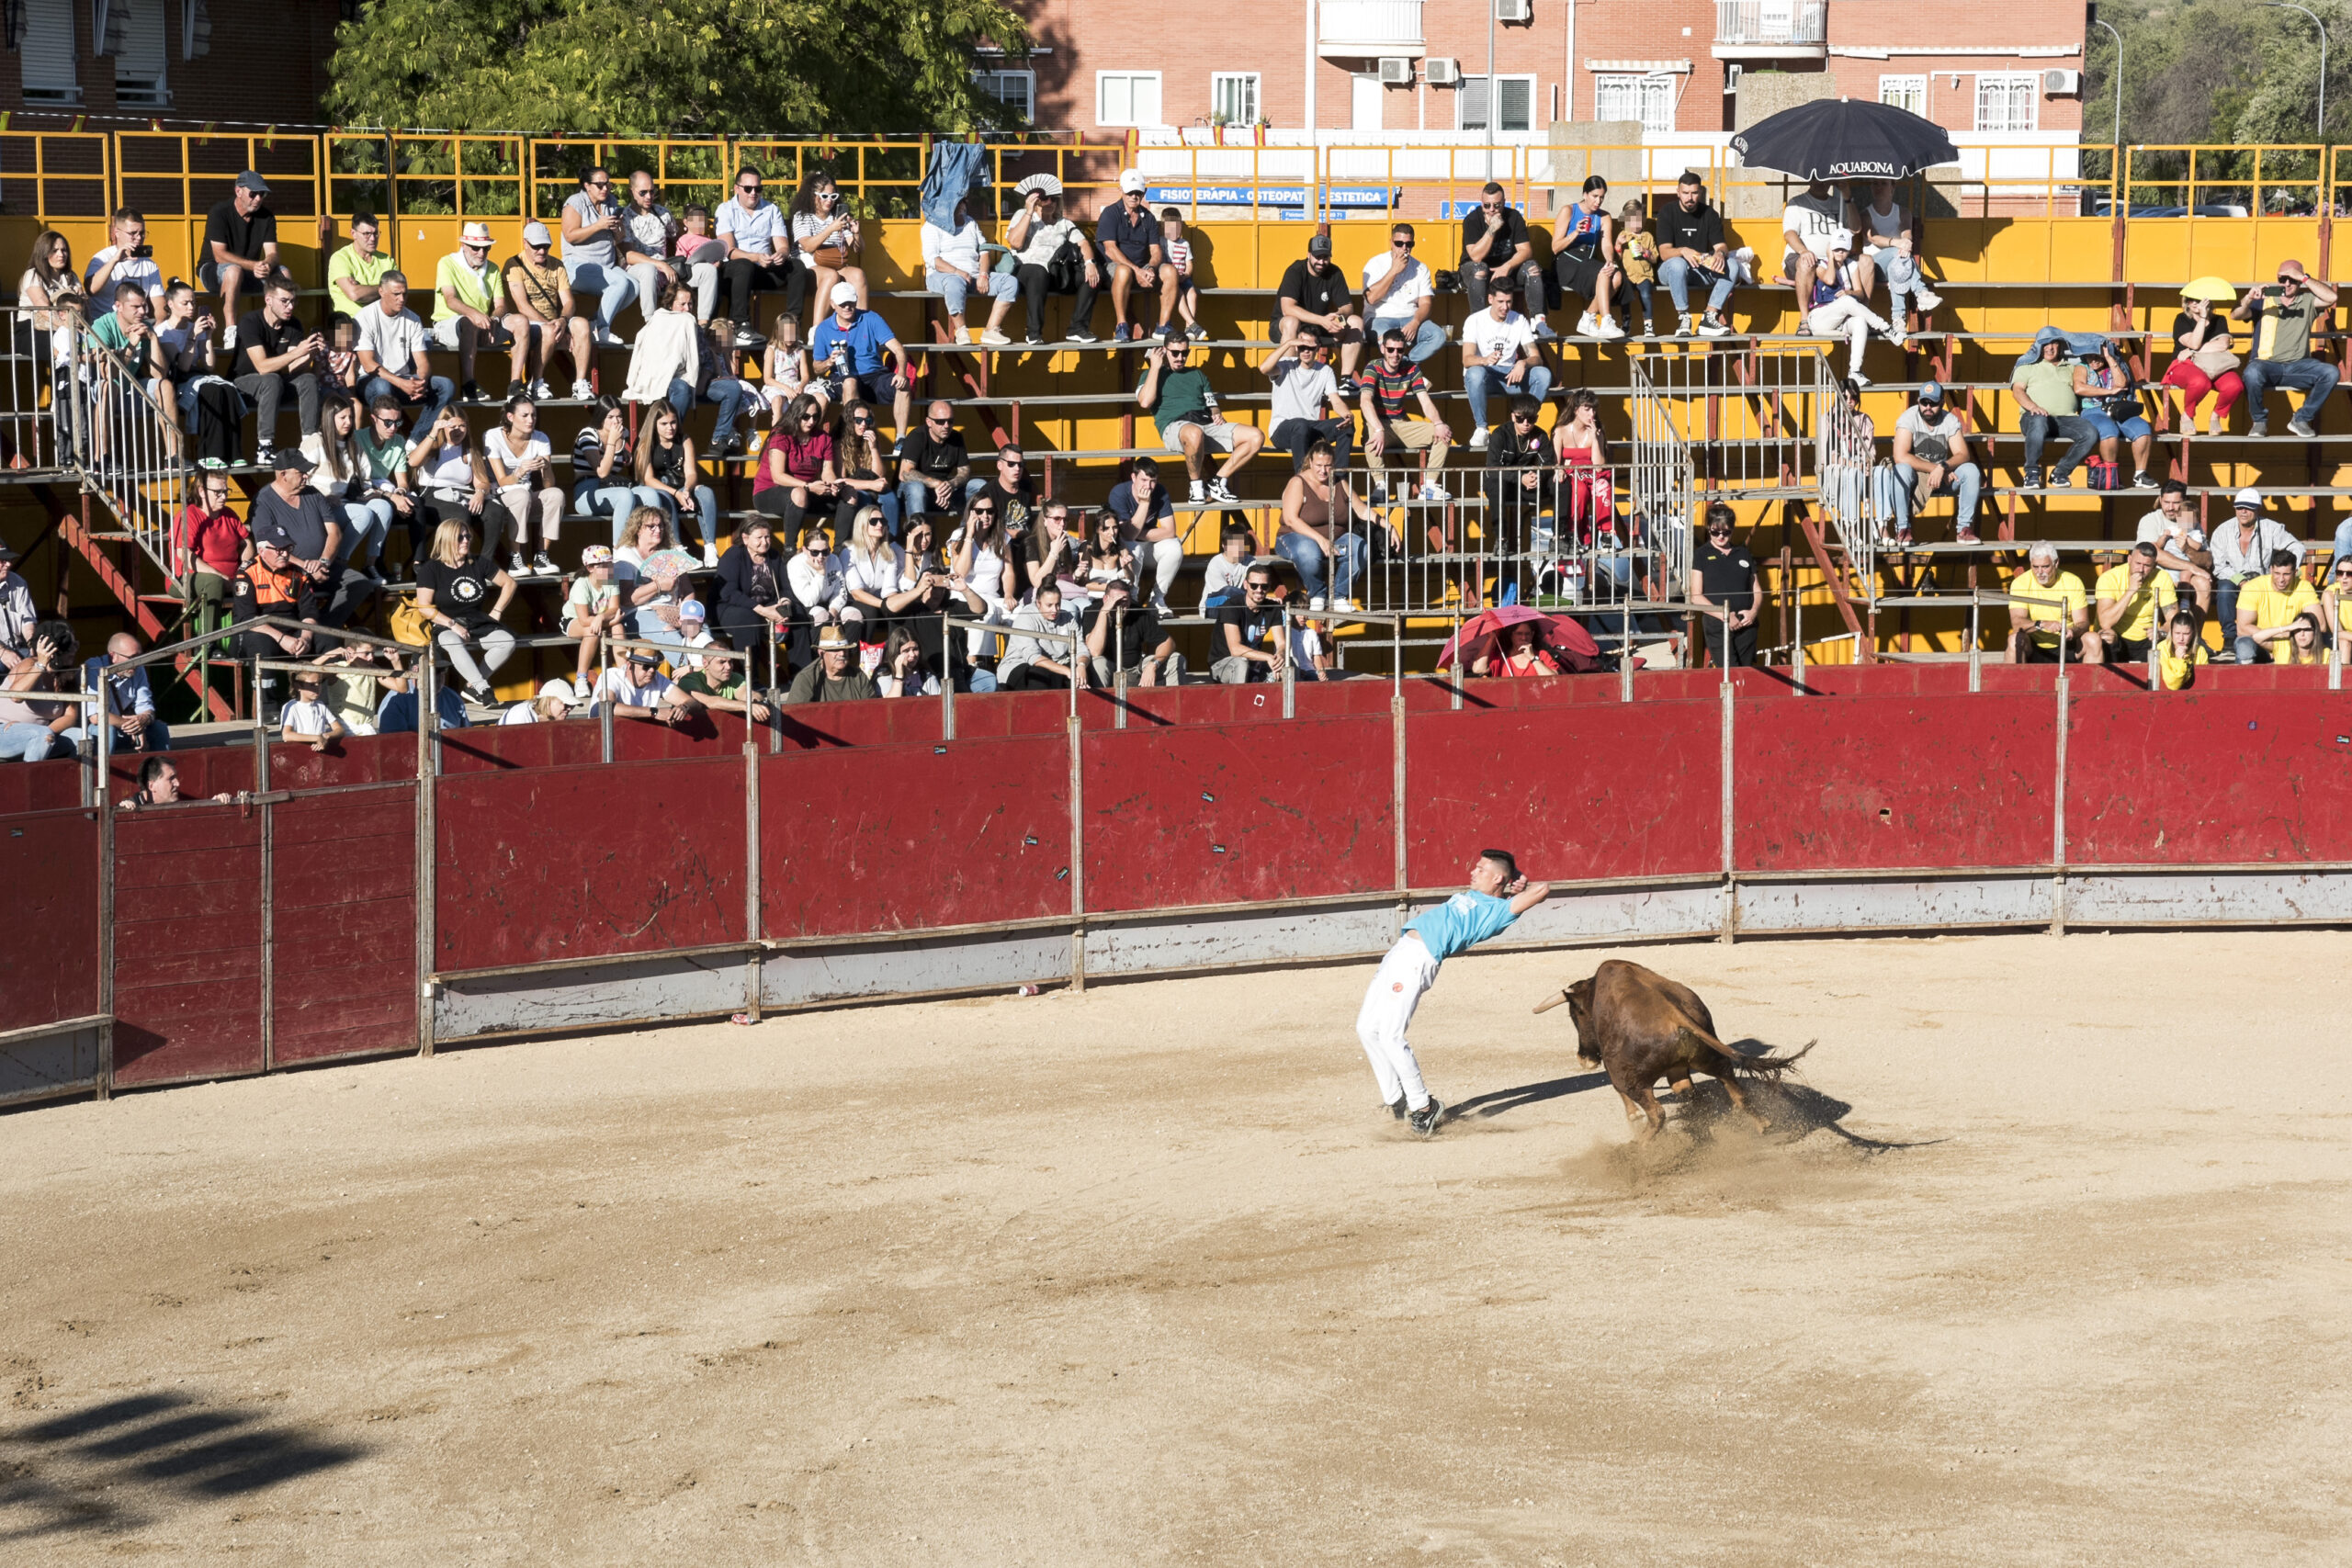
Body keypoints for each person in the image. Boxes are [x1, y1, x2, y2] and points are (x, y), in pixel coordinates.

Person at [1355, 849, 1552, 1135]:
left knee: (1391, 1035)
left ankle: (1424, 1107)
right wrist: (1509, 878)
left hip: (1420, 959)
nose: (1473, 872)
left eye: (1481, 869)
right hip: (1401, 952)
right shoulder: (1477, 895)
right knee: (1366, 1028)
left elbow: (1543, 889)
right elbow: (1501, 880)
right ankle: (1396, 1101)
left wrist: (1518, 876)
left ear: (1498, 877)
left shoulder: (1499, 912)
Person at [250, 449, 374, 627]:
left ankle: (323, 630)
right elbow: (266, 546)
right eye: (301, 472)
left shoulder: (312, 493)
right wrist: (305, 566)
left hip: (322, 566)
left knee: (359, 583)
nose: (306, 476)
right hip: (285, 569)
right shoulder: (263, 501)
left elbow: (334, 532)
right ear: (283, 474)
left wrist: (323, 562)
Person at [1138, 331, 1261, 502]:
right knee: (1194, 433)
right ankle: (1196, 487)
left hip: (1204, 423)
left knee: (1256, 436)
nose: (1180, 357)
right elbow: (1145, 402)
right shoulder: (1150, 375)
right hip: (1175, 426)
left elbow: (1212, 405)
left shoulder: (1197, 374)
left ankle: (1217, 482)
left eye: (1184, 353)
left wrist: (1217, 413)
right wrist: (1154, 367)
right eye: (1175, 353)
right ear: (1165, 351)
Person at [2232, 260, 2339, 438]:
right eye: (2282, 279)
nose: (2287, 284)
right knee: (2252, 373)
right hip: (2266, 365)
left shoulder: (2308, 300)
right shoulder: (2264, 300)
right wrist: (2249, 298)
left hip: (2298, 366)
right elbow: (2236, 315)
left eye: (2292, 279)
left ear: (2299, 280)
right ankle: (2259, 422)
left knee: (2331, 373)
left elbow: (2332, 298)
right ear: (2277, 279)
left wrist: (2304, 278)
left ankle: (2301, 419)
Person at [413, 517, 517, 701]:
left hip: (477, 623)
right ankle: (484, 690)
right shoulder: (431, 569)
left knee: (507, 641)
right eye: (460, 537)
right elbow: (424, 608)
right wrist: (452, 624)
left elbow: (509, 583)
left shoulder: (477, 562)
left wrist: (497, 610)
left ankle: (472, 687)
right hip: (445, 626)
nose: (466, 540)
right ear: (446, 540)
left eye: (467, 536)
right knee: (452, 642)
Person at [232, 276, 325, 465]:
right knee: (271, 379)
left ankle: (309, 443)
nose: (290, 306)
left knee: (307, 379)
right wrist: (299, 351)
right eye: (284, 301)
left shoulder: (293, 325)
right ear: (268, 300)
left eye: (293, 301)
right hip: (243, 385)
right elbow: (262, 366)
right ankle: (264, 447)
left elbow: (294, 367)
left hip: (276, 386)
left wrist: (311, 353)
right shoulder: (250, 321)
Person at [1277, 440, 1378, 612]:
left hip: (1334, 541)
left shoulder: (1340, 483)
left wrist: (1387, 525)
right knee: (1309, 551)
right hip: (1295, 538)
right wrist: (1321, 540)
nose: (1323, 470)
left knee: (1360, 547)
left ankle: (1338, 597)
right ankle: (1317, 593)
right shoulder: (1298, 482)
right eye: (1318, 465)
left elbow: (1361, 510)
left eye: (1328, 465)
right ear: (1310, 462)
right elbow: (1290, 519)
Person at [433, 221, 526, 405]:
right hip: (448, 325)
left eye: (486, 248)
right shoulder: (446, 262)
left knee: (521, 321)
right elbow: (450, 299)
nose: (481, 253)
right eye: (476, 248)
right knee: (469, 322)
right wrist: (475, 315)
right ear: (464, 246)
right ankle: (468, 384)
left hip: (481, 325)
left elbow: (501, 305)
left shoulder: (493, 268)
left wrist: (494, 320)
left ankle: (516, 384)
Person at [506, 221, 597, 400]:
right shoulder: (514, 264)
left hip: (555, 322)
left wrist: (563, 321)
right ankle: (536, 381)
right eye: (537, 246)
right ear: (525, 243)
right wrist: (553, 326)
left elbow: (569, 301)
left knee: (582, 324)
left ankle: (580, 382)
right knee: (548, 330)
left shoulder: (557, 265)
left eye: (546, 246)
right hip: (527, 325)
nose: (542, 251)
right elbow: (521, 305)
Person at [354, 271, 453, 434]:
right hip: (371, 381)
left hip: (404, 380)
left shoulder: (413, 318)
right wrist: (403, 384)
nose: (402, 299)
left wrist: (420, 382)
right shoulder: (364, 317)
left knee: (445, 386)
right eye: (396, 294)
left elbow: (423, 363)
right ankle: (385, 444)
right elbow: (369, 365)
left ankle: (416, 441)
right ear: (381, 292)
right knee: (382, 386)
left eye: (405, 294)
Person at [1360, 325, 1453, 502]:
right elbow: (1365, 401)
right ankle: (1380, 486)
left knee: (1444, 432)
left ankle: (1430, 486)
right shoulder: (1373, 367)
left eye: (1400, 350)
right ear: (1383, 349)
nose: (1395, 354)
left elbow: (1424, 401)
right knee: (1372, 433)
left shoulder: (1411, 368)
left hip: (1401, 424)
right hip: (1380, 424)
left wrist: (1439, 423)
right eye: (1391, 349)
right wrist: (1379, 429)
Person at [808, 281, 911, 439]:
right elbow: (816, 368)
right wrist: (830, 361)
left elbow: (898, 348)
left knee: (903, 385)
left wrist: (902, 373)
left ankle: (900, 439)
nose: (848, 307)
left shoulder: (871, 318)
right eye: (843, 304)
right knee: (850, 382)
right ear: (833, 304)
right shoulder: (823, 328)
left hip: (875, 376)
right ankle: (852, 437)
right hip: (842, 377)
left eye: (851, 302)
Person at [1462, 276, 1552, 450]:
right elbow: (1467, 359)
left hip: (1511, 374)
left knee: (1543, 374)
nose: (1505, 307)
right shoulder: (1475, 320)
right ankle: (1481, 428)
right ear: (1490, 299)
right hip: (1485, 376)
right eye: (1501, 302)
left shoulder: (1519, 320)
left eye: (1509, 302)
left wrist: (1522, 363)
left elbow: (1536, 357)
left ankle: (1524, 423)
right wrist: (1484, 360)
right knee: (1474, 373)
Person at [1887, 381, 1982, 546]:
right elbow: (1900, 456)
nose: (1928, 407)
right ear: (1918, 402)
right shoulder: (1909, 417)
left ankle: (1964, 530)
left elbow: (1963, 454)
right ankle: (1903, 529)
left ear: (1942, 403)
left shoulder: (1949, 420)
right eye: (1924, 402)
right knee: (1900, 470)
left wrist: (1943, 467)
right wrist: (1936, 468)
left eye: (1933, 403)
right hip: (1916, 475)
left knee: (1971, 470)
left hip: (1942, 477)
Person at [2208, 488, 2305, 648]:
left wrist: (2284, 569)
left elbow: (2297, 547)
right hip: (2234, 579)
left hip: (2264, 578)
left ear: (2258, 508)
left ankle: (2268, 636)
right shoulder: (2222, 531)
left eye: (2248, 507)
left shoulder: (2272, 528)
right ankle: (2230, 638)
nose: (2243, 511)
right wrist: (2241, 581)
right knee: (2224, 588)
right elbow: (2219, 566)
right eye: (2239, 507)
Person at [1802, 231, 1900, 385]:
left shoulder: (1851, 265)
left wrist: (1848, 292)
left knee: (1860, 320)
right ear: (1830, 249)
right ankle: (1885, 327)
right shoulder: (1821, 265)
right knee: (1847, 302)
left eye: (1843, 249)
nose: (1840, 252)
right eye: (1836, 249)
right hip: (1819, 317)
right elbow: (1829, 279)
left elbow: (1860, 293)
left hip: (1841, 320)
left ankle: (1855, 371)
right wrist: (1830, 257)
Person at [1006, 186, 1101, 344]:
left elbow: (1083, 243)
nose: (1049, 202)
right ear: (1036, 201)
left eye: (1054, 199)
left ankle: (1077, 328)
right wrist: (1029, 212)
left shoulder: (1064, 223)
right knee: (1038, 271)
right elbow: (1015, 243)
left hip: (1056, 272)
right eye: (1044, 198)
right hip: (1027, 270)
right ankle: (1033, 333)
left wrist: (1090, 263)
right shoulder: (1023, 216)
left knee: (1094, 276)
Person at [1653, 172, 1743, 339]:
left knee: (1733, 265)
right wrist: (1682, 251)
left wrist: (1719, 254)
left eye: (1694, 193)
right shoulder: (1667, 212)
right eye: (1685, 193)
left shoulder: (1709, 214)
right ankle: (1683, 318)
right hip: (1672, 272)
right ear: (1678, 192)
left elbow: (1721, 245)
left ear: (1700, 192)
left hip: (1700, 270)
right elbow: (1664, 253)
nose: (1690, 198)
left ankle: (1709, 317)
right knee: (1677, 264)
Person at [717, 167, 799, 346]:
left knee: (797, 267)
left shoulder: (771, 209)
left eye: (758, 189)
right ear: (736, 189)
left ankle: (792, 325)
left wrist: (781, 255)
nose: (753, 193)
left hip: (764, 267)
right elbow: (729, 251)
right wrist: (755, 257)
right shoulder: (725, 210)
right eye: (748, 189)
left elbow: (783, 245)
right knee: (743, 264)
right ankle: (740, 325)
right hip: (735, 271)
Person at [485, 393, 565, 577]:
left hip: (525, 496)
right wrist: (519, 472)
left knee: (556, 494)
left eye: (534, 415)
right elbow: (502, 480)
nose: (531, 420)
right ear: (510, 417)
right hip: (500, 495)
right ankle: (515, 557)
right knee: (520, 494)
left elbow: (549, 484)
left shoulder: (541, 438)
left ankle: (542, 556)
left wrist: (546, 467)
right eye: (525, 415)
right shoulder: (493, 436)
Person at [922, 194, 1016, 345]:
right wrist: (958, 272)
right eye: (958, 203)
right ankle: (961, 330)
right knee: (955, 282)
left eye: (963, 202)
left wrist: (983, 275)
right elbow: (933, 260)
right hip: (942, 276)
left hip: (973, 276)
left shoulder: (970, 222)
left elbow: (984, 251)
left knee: (1010, 282)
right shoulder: (931, 226)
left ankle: (991, 330)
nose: (962, 206)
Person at [558, 166, 636, 345]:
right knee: (619, 283)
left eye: (608, 184)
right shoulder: (575, 202)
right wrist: (598, 226)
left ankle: (595, 322)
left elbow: (620, 238)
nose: (605, 189)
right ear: (587, 185)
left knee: (634, 287)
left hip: (606, 265)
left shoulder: (611, 202)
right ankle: (603, 329)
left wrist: (618, 229)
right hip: (578, 265)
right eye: (600, 185)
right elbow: (570, 235)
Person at [632, 400, 719, 562]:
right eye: (664, 423)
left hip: (681, 488)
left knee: (706, 492)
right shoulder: (645, 443)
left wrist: (686, 490)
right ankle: (677, 548)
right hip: (659, 492)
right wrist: (675, 493)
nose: (670, 427)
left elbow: (691, 472)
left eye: (673, 422)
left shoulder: (684, 440)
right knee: (664, 496)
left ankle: (710, 548)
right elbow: (648, 479)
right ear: (654, 423)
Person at [1849, 179, 1940, 324]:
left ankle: (1898, 319)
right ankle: (1921, 292)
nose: (1879, 187)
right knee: (1897, 255)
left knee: (1897, 265)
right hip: (1874, 267)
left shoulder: (1903, 212)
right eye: (1875, 184)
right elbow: (1873, 238)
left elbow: (1906, 232)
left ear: (1893, 187)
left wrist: (1906, 242)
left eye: (1883, 183)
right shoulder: (1865, 214)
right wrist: (1898, 244)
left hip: (1897, 263)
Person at [1261, 327, 1353, 474]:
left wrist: (1347, 415)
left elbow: (1335, 400)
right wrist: (1288, 343)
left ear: (1317, 348)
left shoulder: (1325, 370)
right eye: (1302, 346)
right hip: (1282, 430)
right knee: (1300, 424)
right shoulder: (1285, 365)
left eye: (1310, 347)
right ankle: (1303, 478)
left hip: (1311, 429)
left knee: (1346, 427)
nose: (1306, 351)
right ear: (1296, 347)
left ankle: (1339, 481)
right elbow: (1264, 368)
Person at [1098, 170, 1174, 343]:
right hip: (1115, 267)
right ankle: (1122, 325)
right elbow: (1110, 250)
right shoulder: (1110, 213)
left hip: (1141, 267)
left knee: (1170, 271)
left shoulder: (1149, 217)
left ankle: (1163, 326)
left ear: (1144, 193)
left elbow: (1156, 251)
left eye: (1138, 192)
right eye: (1130, 192)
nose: (1134, 196)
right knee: (1124, 271)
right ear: (1121, 191)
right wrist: (1137, 271)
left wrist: (1150, 268)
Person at [1276, 233, 1363, 383]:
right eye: (1317, 257)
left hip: (1323, 328)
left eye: (1325, 257)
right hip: (1293, 328)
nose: (1321, 262)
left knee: (1355, 321)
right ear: (1308, 254)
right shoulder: (1295, 271)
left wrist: (1338, 315)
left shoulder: (1335, 272)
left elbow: (1348, 306)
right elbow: (1287, 308)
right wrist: (1322, 320)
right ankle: (1287, 379)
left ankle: (1346, 380)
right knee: (1291, 321)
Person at [200, 171, 281, 333]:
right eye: (253, 193)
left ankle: (277, 329)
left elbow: (273, 254)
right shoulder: (219, 212)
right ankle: (231, 331)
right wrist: (254, 266)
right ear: (238, 191)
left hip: (249, 272)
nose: (258, 198)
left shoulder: (267, 217)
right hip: (212, 270)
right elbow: (219, 255)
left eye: (262, 194)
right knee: (234, 270)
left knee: (283, 273)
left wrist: (266, 264)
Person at [2012, 336, 2097, 490]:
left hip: (2066, 419)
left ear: (2061, 346)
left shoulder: (2071, 368)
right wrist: (2033, 407)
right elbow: (2017, 391)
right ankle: (2031, 473)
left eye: (2054, 343)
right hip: (2034, 418)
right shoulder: (2027, 366)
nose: (2050, 348)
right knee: (2039, 420)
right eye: (2045, 344)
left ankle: (2060, 472)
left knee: (2090, 432)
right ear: (2038, 346)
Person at [66, 631, 168, 754]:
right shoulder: (93, 668)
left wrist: (144, 719)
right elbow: (95, 717)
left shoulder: (137, 669)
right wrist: (135, 728)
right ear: (113, 656)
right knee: (107, 730)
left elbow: (145, 706)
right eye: (132, 658)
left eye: (139, 657)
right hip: (93, 730)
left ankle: (162, 769)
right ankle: (103, 771)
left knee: (159, 729)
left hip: (124, 728)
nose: (137, 663)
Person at [1103, 457, 1184, 612]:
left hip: (1147, 546)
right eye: (1144, 480)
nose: (1148, 486)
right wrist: (1144, 503)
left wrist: (1137, 533)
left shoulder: (1160, 491)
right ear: (1133, 477)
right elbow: (1126, 536)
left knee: (1174, 547)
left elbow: (1170, 531)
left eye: (1152, 481)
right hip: (1125, 550)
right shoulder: (1119, 493)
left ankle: (1158, 599)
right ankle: (1132, 596)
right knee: (1134, 547)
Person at [2074, 341, 2156, 489]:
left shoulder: (2116, 364)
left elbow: (2122, 384)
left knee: (2142, 428)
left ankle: (2140, 475)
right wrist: (2109, 392)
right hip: (2093, 409)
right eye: (2089, 356)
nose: (2093, 360)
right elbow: (2079, 388)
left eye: (2097, 356)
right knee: (2108, 430)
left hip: (2118, 409)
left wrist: (2110, 359)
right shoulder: (2082, 367)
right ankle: (2110, 474)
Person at [1552, 175, 1624, 340]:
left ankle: (1589, 316)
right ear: (1585, 194)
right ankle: (1606, 320)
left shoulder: (1604, 217)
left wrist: (1609, 261)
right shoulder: (1569, 211)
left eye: (1602, 197)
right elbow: (1555, 248)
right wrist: (1576, 232)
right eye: (1594, 196)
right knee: (1602, 272)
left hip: (1587, 262)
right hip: (1566, 261)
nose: (1598, 201)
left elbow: (1606, 244)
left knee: (1616, 276)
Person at [1781, 177, 1863, 321]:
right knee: (1806, 263)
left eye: (1825, 179)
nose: (1821, 183)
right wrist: (1803, 251)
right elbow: (1789, 234)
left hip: (1835, 259)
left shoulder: (1840, 204)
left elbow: (1856, 229)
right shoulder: (1797, 203)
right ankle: (1804, 319)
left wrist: (1847, 197)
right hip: (1804, 257)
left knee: (1866, 261)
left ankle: (1862, 315)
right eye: (1816, 178)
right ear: (1809, 180)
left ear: (1831, 181)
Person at [1361, 222, 1442, 364]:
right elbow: (1371, 299)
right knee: (1387, 341)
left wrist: (1415, 322)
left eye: (1409, 244)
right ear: (1391, 243)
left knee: (1438, 335)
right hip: (1380, 318)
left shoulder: (1421, 268)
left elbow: (1426, 303)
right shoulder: (1375, 263)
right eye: (1399, 243)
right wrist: (1394, 271)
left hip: (1410, 317)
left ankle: (1406, 365)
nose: (1404, 248)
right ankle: (1402, 371)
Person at [755, 393, 840, 531]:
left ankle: (840, 548)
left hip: (809, 490)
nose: (811, 421)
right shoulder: (781, 435)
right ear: (796, 414)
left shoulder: (823, 438)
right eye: (806, 417)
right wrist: (808, 486)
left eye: (815, 417)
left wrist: (832, 484)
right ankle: (790, 549)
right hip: (770, 491)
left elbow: (827, 471)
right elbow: (778, 476)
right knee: (799, 494)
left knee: (850, 496)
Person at [1689, 503, 1759, 668]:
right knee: (1730, 671)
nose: (1721, 537)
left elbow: (1756, 588)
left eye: (1726, 532)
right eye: (1715, 532)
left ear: (1732, 530)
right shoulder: (1701, 555)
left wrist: (1754, 611)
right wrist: (1725, 616)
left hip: (1746, 624)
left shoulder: (1743, 553)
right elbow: (1696, 596)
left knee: (1746, 672)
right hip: (1718, 624)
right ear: (1708, 529)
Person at [173, 471, 251, 620]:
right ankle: (208, 641)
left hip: (231, 579)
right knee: (214, 582)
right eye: (218, 492)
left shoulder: (229, 514)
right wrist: (221, 577)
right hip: (186, 578)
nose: (224, 496)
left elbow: (246, 543)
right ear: (202, 491)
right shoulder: (189, 515)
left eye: (226, 491)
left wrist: (243, 569)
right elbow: (183, 554)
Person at [2164, 291, 2242, 439]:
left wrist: (2191, 351)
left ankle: (2216, 416)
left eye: (2199, 299)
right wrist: (2203, 318)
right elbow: (2194, 342)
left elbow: (2223, 345)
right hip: (2186, 364)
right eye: (2190, 300)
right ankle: (2187, 416)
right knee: (2200, 382)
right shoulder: (2181, 319)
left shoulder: (2219, 320)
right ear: (2186, 303)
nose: (2194, 302)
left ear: (2208, 301)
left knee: (2235, 385)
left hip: (2214, 364)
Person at [2007, 542, 2099, 663]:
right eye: (2035, 567)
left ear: (2056, 563)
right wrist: (2042, 624)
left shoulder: (2073, 581)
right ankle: (2013, 682)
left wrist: (2072, 631)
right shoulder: (2020, 583)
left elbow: (2083, 623)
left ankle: (2091, 682)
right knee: (2015, 640)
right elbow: (2017, 623)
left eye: (2045, 566)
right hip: (2033, 646)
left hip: (2066, 644)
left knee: (2093, 639)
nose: (2040, 572)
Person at [790, 170, 867, 316]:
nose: (829, 200)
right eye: (824, 196)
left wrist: (856, 233)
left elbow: (858, 249)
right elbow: (807, 246)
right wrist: (831, 229)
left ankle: (861, 327)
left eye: (833, 196)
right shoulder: (803, 216)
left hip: (836, 263)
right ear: (813, 196)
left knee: (858, 275)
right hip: (809, 265)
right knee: (831, 276)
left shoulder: (839, 218)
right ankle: (816, 331)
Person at [2134, 479, 2215, 617]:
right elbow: (2151, 554)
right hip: (2157, 574)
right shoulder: (2150, 520)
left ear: (2184, 501)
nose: (2170, 507)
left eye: (2176, 503)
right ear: (2160, 500)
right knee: (2165, 583)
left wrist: (2187, 549)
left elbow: (2207, 559)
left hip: (2186, 576)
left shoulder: (2192, 522)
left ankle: (2195, 636)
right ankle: (2169, 630)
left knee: (2203, 583)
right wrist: (2192, 567)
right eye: (2166, 502)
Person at [1459, 182, 1543, 315]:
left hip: (1506, 270)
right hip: (1475, 271)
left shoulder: (1514, 217)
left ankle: (1538, 322)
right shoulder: (1472, 220)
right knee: (1480, 269)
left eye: (1496, 205)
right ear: (1482, 203)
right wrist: (1492, 229)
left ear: (1504, 202)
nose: (1492, 209)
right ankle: (1478, 323)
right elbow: (1476, 257)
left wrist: (1507, 266)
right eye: (1487, 205)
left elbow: (1526, 251)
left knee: (1532, 267)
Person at [1080, 573, 1178, 685]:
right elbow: (1094, 650)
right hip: (1108, 669)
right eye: (1116, 601)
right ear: (1105, 599)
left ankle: (1177, 702)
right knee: (1098, 663)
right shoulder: (1092, 611)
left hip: (1135, 669)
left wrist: (1153, 665)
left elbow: (1168, 643)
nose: (1120, 606)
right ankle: (1101, 703)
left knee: (1175, 660)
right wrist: (1104, 613)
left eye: (1124, 602)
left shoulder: (1138, 612)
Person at [1484, 396, 1556, 544]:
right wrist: (1520, 478)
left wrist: (1537, 475)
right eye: (1520, 419)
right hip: (1507, 484)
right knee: (1495, 484)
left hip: (1530, 486)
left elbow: (1548, 463)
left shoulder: (1540, 435)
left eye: (1531, 419)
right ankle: (1501, 539)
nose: (1526, 424)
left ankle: (1560, 537)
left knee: (1561, 484)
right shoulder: (1500, 434)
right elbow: (1492, 468)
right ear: (1512, 416)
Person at [2094, 541, 2177, 664]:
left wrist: (2161, 631)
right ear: (2129, 560)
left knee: (2173, 638)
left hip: (2148, 638)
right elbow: (2105, 622)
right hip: (2117, 637)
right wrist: (2130, 591)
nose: (2141, 569)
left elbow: (2173, 619)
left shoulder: (2162, 577)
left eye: (2147, 565)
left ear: (2154, 566)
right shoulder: (2109, 577)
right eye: (2137, 563)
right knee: (2106, 635)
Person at [616, 170, 680, 333]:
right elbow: (629, 256)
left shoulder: (663, 213)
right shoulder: (624, 217)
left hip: (663, 269)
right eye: (643, 192)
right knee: (648, 270)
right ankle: (651, 323)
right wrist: (660, 264)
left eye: (652, 191)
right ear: (631, 191)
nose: (649, 196)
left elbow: (678, 241)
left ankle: (700, 326)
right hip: (638, 268)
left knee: (703, 272)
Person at [2233, 547, 2320, 665]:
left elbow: (2319, 624)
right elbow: (2242, 629)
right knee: (2244, 645)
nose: (2281, 579)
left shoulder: (2304, 587)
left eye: (2286, 574)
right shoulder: (2252, 587)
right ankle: (2243, 682)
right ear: (2270, 570)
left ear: (2295, 573)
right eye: (2277, 573)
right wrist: (2275, 641)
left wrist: (2284, 642)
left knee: (2324, 640)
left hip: (2293, 643)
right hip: (2263, 643)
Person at [999, 580, 1089, 691]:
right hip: (1020, 665)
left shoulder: (1067, 617)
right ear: (1038, 603)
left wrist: (1081, 665)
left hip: (1058, 664)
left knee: (1082, 674)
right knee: (1040, 674)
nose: (1054, 610)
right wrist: (1067, 671)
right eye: (1049, 605)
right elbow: (1033, 657)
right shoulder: (1026, 617)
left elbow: (1080, 647)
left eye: (1058, 605)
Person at [571, 396, 639, 541]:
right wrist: (613, 442)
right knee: (625, 496)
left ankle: (660, 554)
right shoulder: (589, 434)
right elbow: (602, 472)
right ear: (601, 417)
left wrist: (626, 453)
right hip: (587, 490)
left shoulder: (623, 433)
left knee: (650, 494)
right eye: (610, 417)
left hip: (612, 486)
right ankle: (621, 551)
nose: (616, 421)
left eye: (619, 416)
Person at [898, 399, 972, 525]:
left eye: (950, 421)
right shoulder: (917, 436)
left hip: (945, 492)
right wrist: (937, 484)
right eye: (940, 422)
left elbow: (965, 471)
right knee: (917, 489)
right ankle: (917, 536)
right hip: (918, 491)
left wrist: (950, 485)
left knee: (979, 486)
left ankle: (963, 534)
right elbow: (905, 473)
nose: (946, 426)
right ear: (929, 422)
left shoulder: (956, 437)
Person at [85, 207, 164, 315]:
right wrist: (114, 261)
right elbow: (91, 289)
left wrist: (157, 326)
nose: (139, 238)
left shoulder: (149, 264)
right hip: (106, 324)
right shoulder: (102, 258)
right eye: (133, 233)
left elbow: (159, 304)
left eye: (142, 233)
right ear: (117, 232)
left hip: (137, 323)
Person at [674, 640, 775, 723]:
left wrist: (757, 701)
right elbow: (709, 702)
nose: (728, 667)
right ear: (705, 663)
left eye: (730, 661)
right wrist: (747, 706)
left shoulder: (735, 678)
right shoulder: (689, 681)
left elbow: (747, 694)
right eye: (721, 662)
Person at [590, 645, 695, 725]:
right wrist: (654, 712)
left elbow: (692, 702)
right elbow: (605, 708)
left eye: (655, 666)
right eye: (646, 666)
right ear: (629, 665)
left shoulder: (657, 678)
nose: (652, 670)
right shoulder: (611, 676)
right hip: (603, 737)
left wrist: (684, 707)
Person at [373, 652, 470, 732]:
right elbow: (395, 743)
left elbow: (466, 735)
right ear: (416, 671)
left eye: (443, 670)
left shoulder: (453, 698)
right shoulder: (397, 700)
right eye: (434, 671)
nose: (440, 676)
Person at [784, 626, 879, 704]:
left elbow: (870, 709)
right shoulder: (806, 679)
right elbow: (797, 715)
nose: (842, 654)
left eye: (845, 649)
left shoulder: (858, 676)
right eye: (835, 650)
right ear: (821, 653)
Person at [326, 212, 395, 315]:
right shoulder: (340, 258)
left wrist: (363, 289)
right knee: (342, 327)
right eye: (367, 234)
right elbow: (354, 294)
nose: (372, 239)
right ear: (353, 233)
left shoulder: (387, 260)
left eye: (376, 233)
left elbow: (396, 294)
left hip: (380, 322)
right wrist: (385, 288)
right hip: (349, 323)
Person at [1614, 200, 1660, 338]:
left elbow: (1654, 259)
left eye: (1639, 221)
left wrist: (1645, 251)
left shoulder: (1648, 237)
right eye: (1631, 221)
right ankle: (1626, 324)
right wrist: (1618, 245)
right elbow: (1617, 258)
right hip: (1627, 275)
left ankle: (1648, 324)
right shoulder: (1623, 235)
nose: (1635, 225)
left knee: (1646, 295)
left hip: (1644, 274)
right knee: (1625, 297)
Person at [119, 755, 234, 807]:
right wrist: (122, 811)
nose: (178, 783)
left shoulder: (176, 803)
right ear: (152, 786)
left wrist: (216, 805)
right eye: (171, 779)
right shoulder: (129, 807)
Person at [1157, 208, 1203, 334]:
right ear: (1163, 228)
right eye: (1170, 228)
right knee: (1180, 293)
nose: (1174, 232)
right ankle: (1193, 325)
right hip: (1171, 280)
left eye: (1177, 228)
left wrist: (1187, 274)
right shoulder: (1162, 242)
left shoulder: (1184, 244)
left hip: (1184, 277)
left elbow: (1189, 263)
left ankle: (1189, 326)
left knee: (1192, 294)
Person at [278, 671, 346, 751]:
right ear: (298, 686)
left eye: (319, 683)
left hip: (319, 752)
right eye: (312, 684)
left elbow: (340, 730)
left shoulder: (321, 706)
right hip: (297, 752)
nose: (317, 687)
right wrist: (317, 738)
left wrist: (324, 736)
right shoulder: (291, 707)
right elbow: (286, 735)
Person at [1470, 619, 1562, 679]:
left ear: (1533, 634)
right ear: (1511, 635)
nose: (1523, 638)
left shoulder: (1542, 655)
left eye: (1527, 634)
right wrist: (1491, 639)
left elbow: (1553, 679)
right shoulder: (1500, 657)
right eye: (1519, 633)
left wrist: (1533, 658)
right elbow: (1478, 669)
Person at [2154, 607, 2209, 691]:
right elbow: (2173, 685)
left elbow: (2204, 681)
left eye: (2186, 634)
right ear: (2171, 632)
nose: (2181, 638)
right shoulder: (2162, 648)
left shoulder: (2200, 651)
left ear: (2193, 633)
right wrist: (2180, 661)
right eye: (2177, 633)